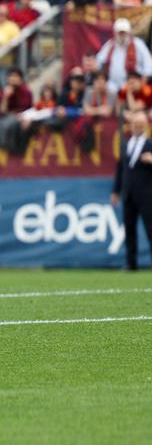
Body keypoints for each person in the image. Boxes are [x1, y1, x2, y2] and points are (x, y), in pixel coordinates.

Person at [111, 110, 152, 270]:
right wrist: (116, 191)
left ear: (146, 125)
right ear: (131, 125)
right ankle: (131, 263)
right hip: (128, 194)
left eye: (140, 124)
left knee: (150, 228)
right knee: (129, 229)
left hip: (147, 195)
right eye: (135, 124)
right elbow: (120, 170)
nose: (137, 126)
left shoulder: (150, 144)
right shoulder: (126, 144)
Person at [95, 18, 152, 94]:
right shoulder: (109, 45)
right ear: (115, 33)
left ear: (129, 33)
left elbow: (149, 66)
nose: (122, 35)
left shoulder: (138, 44)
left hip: (133, 86)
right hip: (111, 86)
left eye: (124, 33)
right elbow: (98, 62)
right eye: (120, 33)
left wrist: (141, 84)